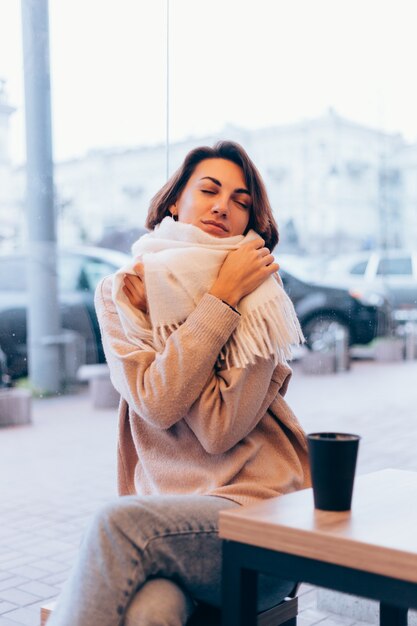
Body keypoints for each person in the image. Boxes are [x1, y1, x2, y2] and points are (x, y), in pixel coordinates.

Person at [47, 141, 310, 626]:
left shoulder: (260, 297)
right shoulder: (122, 290)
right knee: (151, 612)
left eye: (240, 201)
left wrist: (224, 295)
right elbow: (156, 400)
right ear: (174, 200)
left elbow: (217, 429)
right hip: (167, 528)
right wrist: (215, 304)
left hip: (259, 521)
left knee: (115, 524)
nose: (222, 206)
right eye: (209, 190)